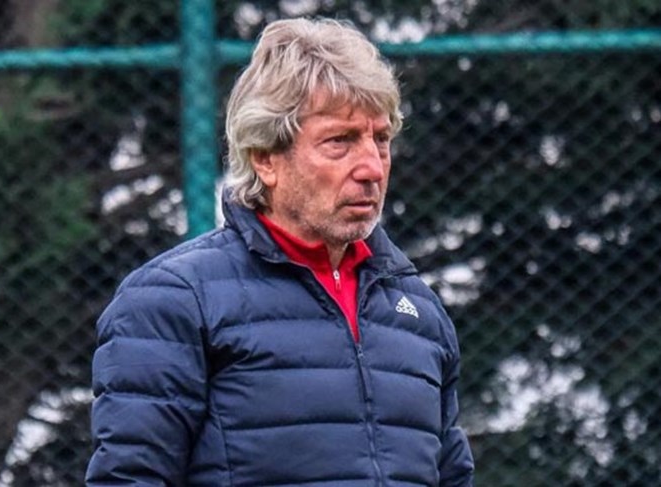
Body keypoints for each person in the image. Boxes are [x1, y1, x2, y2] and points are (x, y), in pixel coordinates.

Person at [86, 17, 474, 486]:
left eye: (381, 139)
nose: (372, 167)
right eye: (340, 141)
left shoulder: (419, 314)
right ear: (265, 158)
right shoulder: (173, 302)